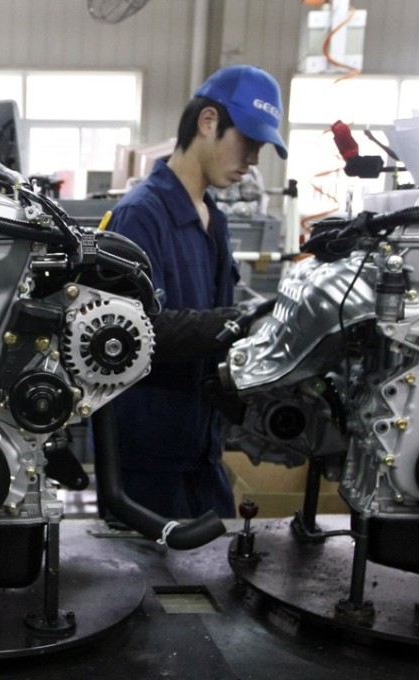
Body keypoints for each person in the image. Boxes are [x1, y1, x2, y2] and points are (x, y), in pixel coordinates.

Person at [98, 65, 288, 519]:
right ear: (208, 123)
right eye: (248, 142)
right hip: (147, 456)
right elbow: (133, 333)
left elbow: (220, 314)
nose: (253, 160)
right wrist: (241, 324)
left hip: (201, 448)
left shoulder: (213, 218)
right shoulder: (140, 216)